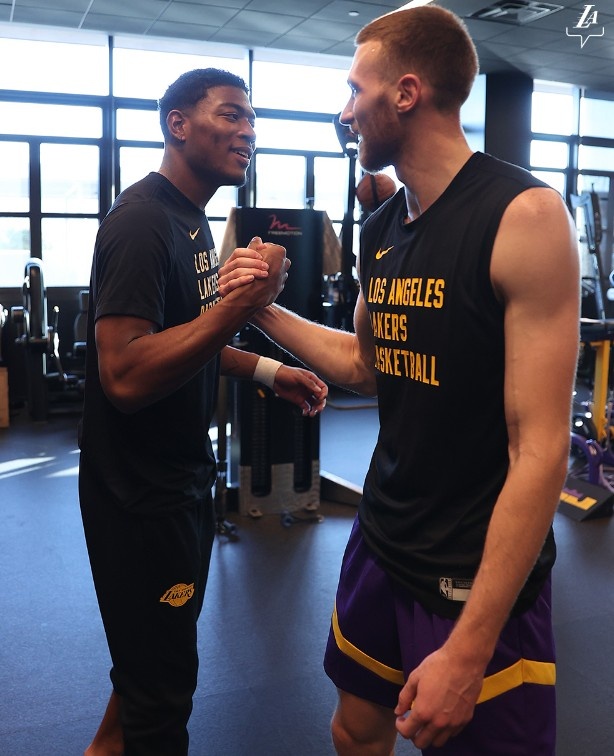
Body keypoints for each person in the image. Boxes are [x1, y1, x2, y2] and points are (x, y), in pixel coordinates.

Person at [220, 5, 580, 755]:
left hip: (471, 564)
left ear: (406, 93)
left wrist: (471, 648)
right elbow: (367, 365)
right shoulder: (382, 228)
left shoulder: (524, 216)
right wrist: (260, 308)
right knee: (355, 732)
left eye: (356, 90)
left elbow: (541, 450)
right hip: (383, 534)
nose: (345, 112)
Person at [78, 68, 327, 756]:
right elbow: (126, 374)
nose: (248, 131)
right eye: (231, 115)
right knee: (162, 698)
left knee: (148, 664)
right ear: (178, 125)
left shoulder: (190, 219)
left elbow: (185, 340)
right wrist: (243, 304)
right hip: (141, 497)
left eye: (253, 120)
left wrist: (269, 369)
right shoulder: (142, 223)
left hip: (184, 479)